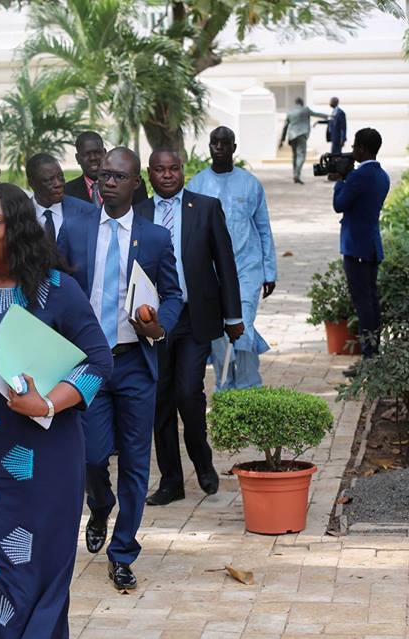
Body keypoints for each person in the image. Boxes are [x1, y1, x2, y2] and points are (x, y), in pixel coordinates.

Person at [0, 182, 112, 637]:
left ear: (19, 228)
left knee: (35, 571)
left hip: (45, 459)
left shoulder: (57, 290)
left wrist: (47, 402)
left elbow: (98, 360)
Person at [58, 148, 183, 591]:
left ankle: (123, 550)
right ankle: (100, 502)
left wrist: (158, 325)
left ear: (135, 185)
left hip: (133, 362)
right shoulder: (73, 230)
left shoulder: (153, 238)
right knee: (91, 454)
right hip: (88, 363)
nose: (108, 181)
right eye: (104, 175)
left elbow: (173, 295)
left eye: (119, 176)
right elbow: (54, 288)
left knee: (135, 461)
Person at [136, 149, 243, 507]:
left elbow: (225, 264)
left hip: (194, 316)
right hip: (155, 321)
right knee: (160, 401)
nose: (167, 175)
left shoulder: (206, 207)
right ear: (149, 174)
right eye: (160, 170)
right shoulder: (139, 214)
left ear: (183, 171)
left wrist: (233, 316)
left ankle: (203, 460)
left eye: (174, 169)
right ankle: (171, 482)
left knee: (188, 393)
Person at [188, 127, 277, 390]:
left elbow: (263, 228)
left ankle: (250, 386)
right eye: (214, 143)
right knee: (219, 332)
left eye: (224, 143)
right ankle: (224, 386)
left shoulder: (250, 184)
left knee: (243, 324)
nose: (219, 147)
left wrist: (269, 271)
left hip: (246, 268)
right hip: (211, 271)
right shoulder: (198, 185)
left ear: (233, 148)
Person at [330, 128, 390, 360]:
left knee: (363, 304)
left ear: (363, 149)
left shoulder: (358, 176)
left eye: (355, 146)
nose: (352, 150)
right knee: (371, 303)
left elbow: (339, 204)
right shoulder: (382, 175)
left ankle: (369, 357)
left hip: (356, 248)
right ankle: (373, 354)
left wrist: (341, 179)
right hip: (372, 246)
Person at [26, 153, 95, 246]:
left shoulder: (87, 211)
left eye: (60, 177)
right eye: (48, 180)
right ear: (31, 183)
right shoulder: (20, 215)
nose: (58, 184)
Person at [64, 131, 148, 207]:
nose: (93, 158)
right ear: (78, 158)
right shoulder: (67, 191)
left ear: (105, 153)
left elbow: (143, 217)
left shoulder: (132, 185)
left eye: (97, 152)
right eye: (87, 154)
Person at [279, 97, 329, 184]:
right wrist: (327, 116)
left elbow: (285, 127)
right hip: (302, 135)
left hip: (292, 136)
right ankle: (296, 175)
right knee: (301, 155)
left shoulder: (290, 112)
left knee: (295, 156)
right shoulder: (305, 110)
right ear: (302, 103)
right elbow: (316, 114)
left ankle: (295, 174)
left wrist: (282, 140)